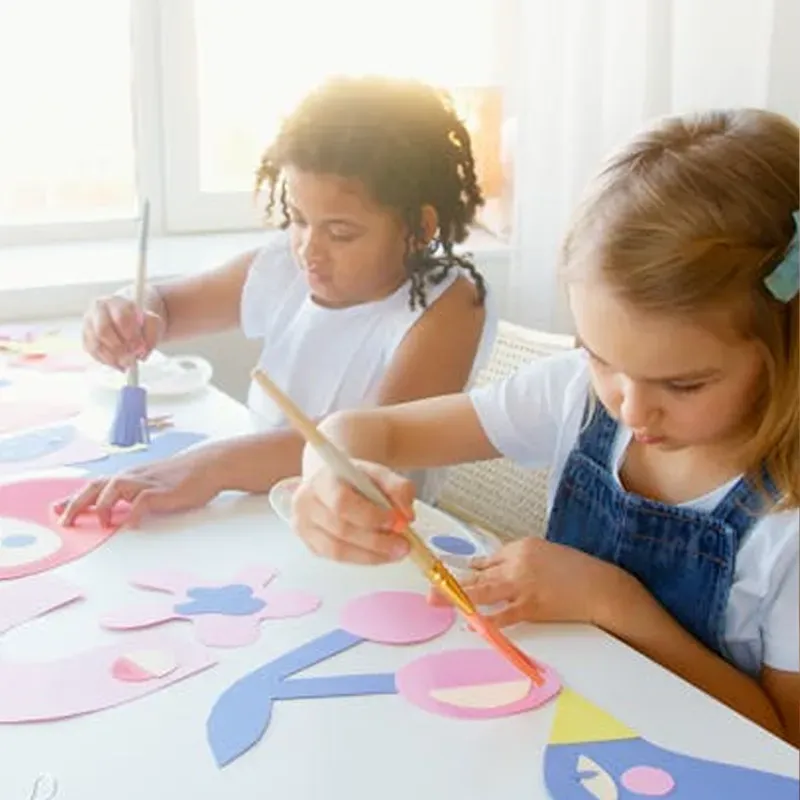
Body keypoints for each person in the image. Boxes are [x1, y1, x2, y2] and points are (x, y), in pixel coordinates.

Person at [290, 109, 800, 745]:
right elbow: (367, 432)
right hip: (556, 738)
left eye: (684, 384)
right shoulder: (574, 395)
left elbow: (783, 741)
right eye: (600, 356)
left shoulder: (786, 526)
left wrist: (614, 604)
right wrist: (329, 474)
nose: (631, 411)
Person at [56, 76, 495, 526]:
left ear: (419, 228)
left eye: (341, 232)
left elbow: (369, 440)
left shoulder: (451, 303)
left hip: (378, 539)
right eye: (299, 220)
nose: (309, 249)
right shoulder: (287, 266)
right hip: (266, 517)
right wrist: (129, 308)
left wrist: (211, 465)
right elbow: (165, 305)